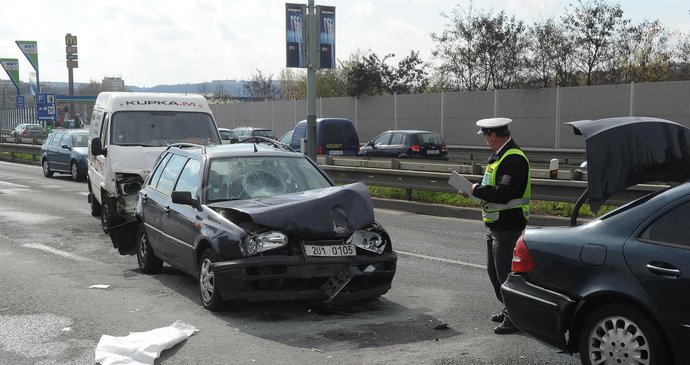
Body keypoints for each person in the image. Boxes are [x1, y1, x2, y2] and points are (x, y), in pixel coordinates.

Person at [462, 117, 531, 335]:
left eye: (485, 136)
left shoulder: (513, 159)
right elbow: (490, 187)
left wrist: (475, 190)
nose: (484, 140)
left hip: (509, 224)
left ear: (493, 135)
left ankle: (515, 317)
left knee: (506, 273)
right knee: (494, 272)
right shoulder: (498, 156)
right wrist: (473, 190)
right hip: (495, 223)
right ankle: (508, 307)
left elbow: (504, 194)